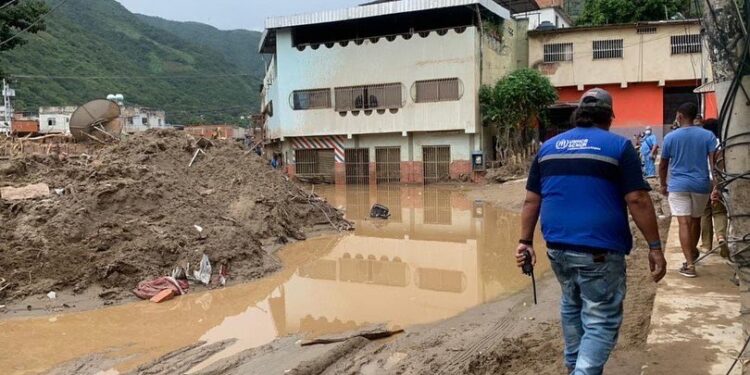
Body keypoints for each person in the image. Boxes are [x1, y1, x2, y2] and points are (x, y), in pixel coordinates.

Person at [516, 88, 667, 375]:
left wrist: (524, 242)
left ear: (578, 116)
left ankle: (575, 365)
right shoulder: (619, 147)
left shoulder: (547, 148)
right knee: (600, 318)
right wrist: (655, 247)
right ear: (609, 117)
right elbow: (637, 199)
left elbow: (531, 200)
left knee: (571, 305)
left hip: (557, 250)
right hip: (599, 252)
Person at [658, 103, 718, 278]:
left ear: (679, 116)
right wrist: (716, 186)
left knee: (684, 223)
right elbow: (714, 165)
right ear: (695, 117)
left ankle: (690, 264)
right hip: (701, 185)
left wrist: (663, 184)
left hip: (678, 185)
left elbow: (663, 165)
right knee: (696, 220)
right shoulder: (708, 136)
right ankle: (692, 251)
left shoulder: (670, 137)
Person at [700, 118, 729, 258]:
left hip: (704, 180)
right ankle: (721, 237)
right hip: (721, 180)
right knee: (720, 211)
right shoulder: (723, 145)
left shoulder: (703, 143)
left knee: (705, 213)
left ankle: (706, 245)